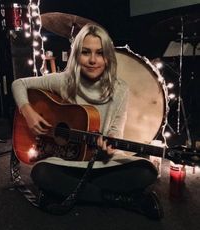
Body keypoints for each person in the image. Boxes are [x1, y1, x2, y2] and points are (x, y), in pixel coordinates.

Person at [11, 23, 164, 220]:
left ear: (108, 57)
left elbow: (116, 130)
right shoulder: (65, 81)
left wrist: (109, 145)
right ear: (76, 55)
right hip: (65, 161)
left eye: (100, 53)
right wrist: (28, 112)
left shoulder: (120, 90)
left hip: (100, 162)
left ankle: (73, 192)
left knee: (147, 170)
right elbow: (18, 84)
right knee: (41, 173)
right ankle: (119, 199)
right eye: (86, 52)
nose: (93, 60)